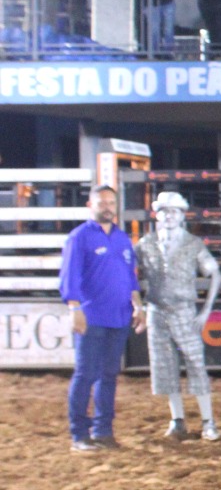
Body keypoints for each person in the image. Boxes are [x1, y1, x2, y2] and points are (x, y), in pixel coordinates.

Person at [60, 185, 145, 452]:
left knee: (109, 375)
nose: (107, 207)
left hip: (119, 317)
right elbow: (69, 277)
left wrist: (138, 306)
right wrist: (75, 310)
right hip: (91, 317)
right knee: (86, 374)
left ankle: (103, 431)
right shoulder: (79, 237)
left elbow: (131, 278)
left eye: (111, 202)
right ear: (90, 205)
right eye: (102, 202)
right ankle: (79, 435)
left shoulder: (122, 239)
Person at [135, 191, 221, 442]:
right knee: (165, 366)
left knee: (196, 364)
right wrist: (137, 302)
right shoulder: (146, 243)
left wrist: (206, 310)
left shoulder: (193, 244)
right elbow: (130, 270)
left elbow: (215, 274)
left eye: (174, 211)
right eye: (164, 211)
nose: (169, 216)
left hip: (184, 310)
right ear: (158, 215)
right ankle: (177, 420)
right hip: (157, 311)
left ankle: (208, 421)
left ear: (182, 216)